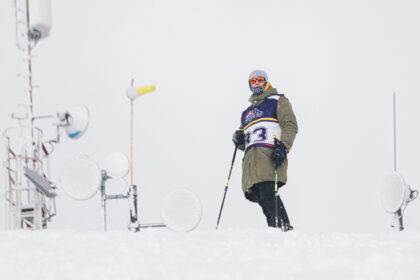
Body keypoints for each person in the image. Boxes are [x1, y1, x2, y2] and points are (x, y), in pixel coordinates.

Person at [232, 70, 298, 231]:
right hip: (251, 162)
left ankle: (282, 228)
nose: (256, 84)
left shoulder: (278, 101)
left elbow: (290, 125)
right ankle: (276, 228)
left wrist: (284, 147)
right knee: (262, 196)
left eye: (260, 80)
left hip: (269, 156)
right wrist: (238, 140)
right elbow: (248, 140)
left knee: (268, 192)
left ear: (266, 82)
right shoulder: (246, 113)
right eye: (253, 82)